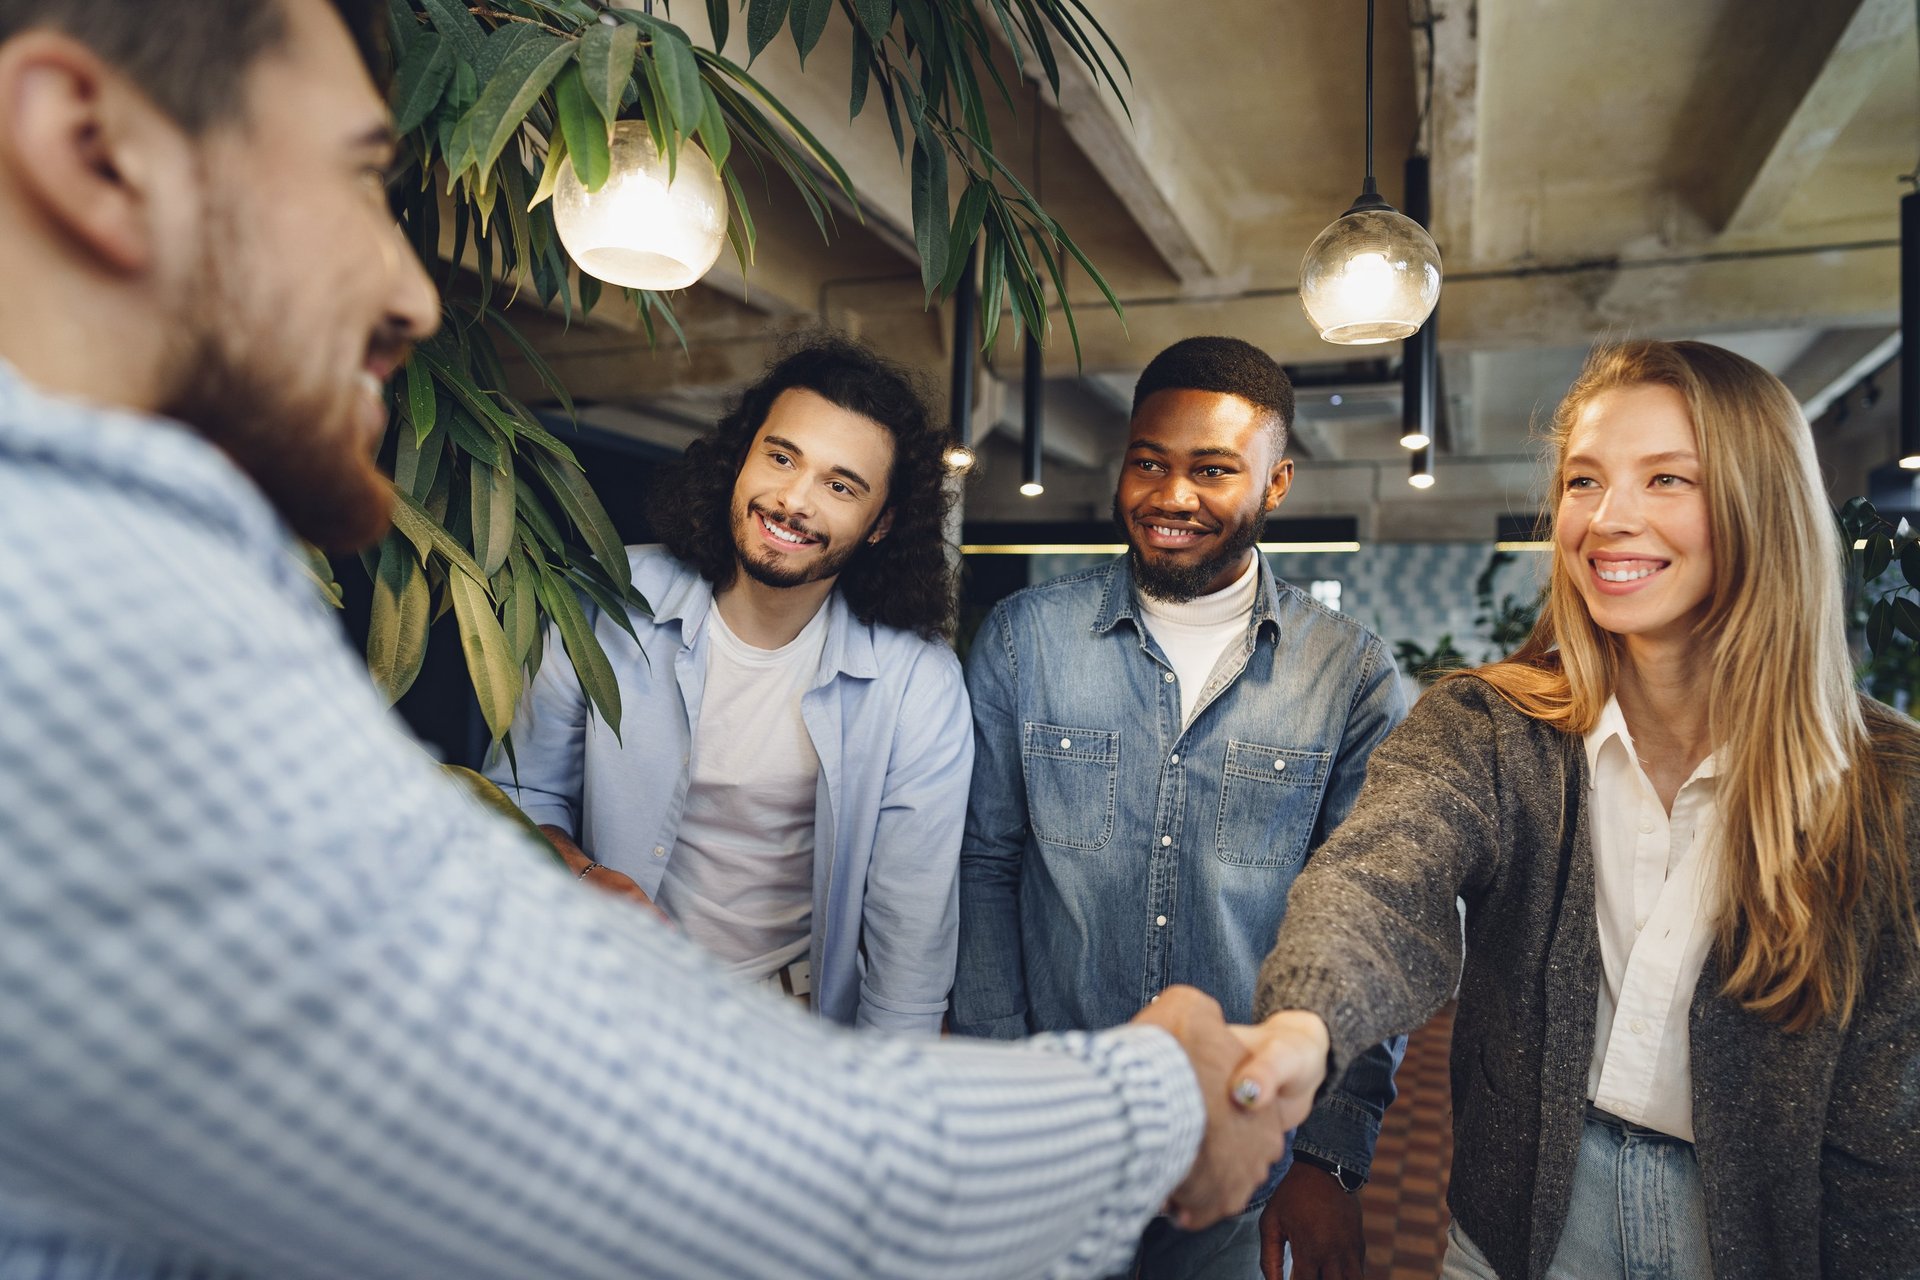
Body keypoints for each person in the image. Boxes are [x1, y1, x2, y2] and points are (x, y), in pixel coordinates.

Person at [0, 1, 1328, 1275]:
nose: (412, 290)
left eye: (844, 485)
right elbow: (694, 1146)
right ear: (87, 145)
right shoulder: (88, 627)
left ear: (881, 525)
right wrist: (1162, 1101)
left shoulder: (114, 581)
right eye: (358, 179)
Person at [1237, 340, 1920, 1278]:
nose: (1609, 519)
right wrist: (1301, 1025)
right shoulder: (1491, 725)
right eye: (1584, 481)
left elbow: (1890, 1133)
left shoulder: (1890, 791)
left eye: (1667, 478)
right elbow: (1380, 879)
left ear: (1761, 506)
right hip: (1517, 1224)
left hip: (1767, 1242)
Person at [953, 336, 1409, 1280]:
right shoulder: (1025, 642)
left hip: (1243, 1153)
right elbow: (985, 867)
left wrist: (1328, 1152)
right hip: (1055, 1133)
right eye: (1149, 463)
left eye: (1212, 470)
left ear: (1275, 483)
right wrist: (1002, 1088)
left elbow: (1371, 923)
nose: (1170, 497)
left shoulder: (1351, 676)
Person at [487, 337, 969, 1032]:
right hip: (603, 998)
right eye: (781, 457)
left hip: (790, 1023)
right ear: (742, 458)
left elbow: (911, 925)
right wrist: (585, 876)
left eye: (840, 486)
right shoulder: (610, 597)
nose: (793, 500)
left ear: (880, 524)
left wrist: (894, 1097)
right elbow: (518, 793)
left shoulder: (917, 684)